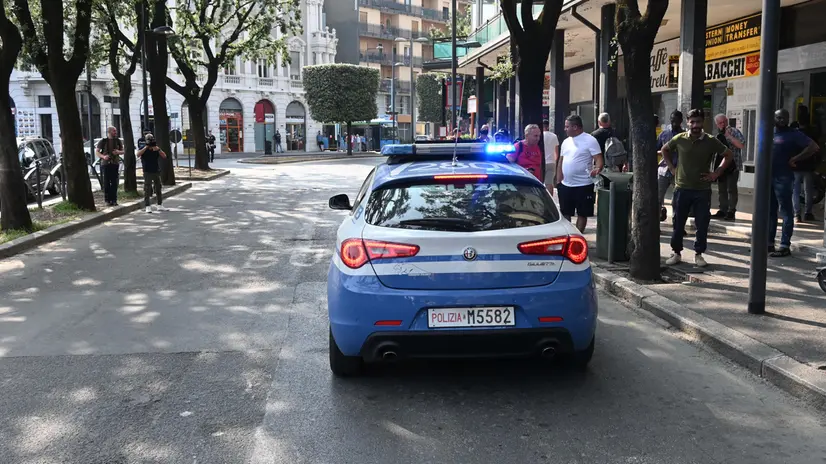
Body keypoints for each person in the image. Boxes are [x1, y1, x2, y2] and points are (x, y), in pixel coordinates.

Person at [661, 109, 733, 267]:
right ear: (687, 122)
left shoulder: (710, 140)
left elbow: (728, 155)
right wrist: (672, 169)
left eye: (698, 122)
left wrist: (717, 173)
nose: (695, 125)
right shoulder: (679, 139)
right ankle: (676, 252)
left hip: (702, 190)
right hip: (682, 188)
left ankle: (699, 254)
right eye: (692, 122)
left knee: (702, 223)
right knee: (678, 223)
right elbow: (665, 149)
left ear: (703, 123)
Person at [768, 109, 820, 257]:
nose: (781, 120)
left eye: (784, 117)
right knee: (770, 211)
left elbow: (814, 147)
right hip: (769, 177)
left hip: (784, 177)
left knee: (785, 211)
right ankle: (769, 243)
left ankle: (784, 245)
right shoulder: (770, 132)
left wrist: (796, 158)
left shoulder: (793, 134)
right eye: (778, 117)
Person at [556, 115, 603, 233]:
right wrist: (558, 179)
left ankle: (578, 235)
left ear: (575, 127)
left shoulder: (590, 140)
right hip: (566, 184)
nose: (565, 129)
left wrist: (597, 168)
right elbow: (561, 160)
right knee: (565, 212)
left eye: (567, 127)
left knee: (582, 213)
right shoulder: (566, 142)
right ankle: (567, 234)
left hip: (584, 184)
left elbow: (598, 158)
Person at [712, 114, 746, 220]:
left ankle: (731, 210)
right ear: (717, 124)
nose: (723, 124)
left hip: (733, 165)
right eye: (720, 123)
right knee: (721, 189)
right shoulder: (717, 135)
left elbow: (741, 145)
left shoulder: (734, 131)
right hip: (721, 166)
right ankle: (723, 209)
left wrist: (729, 137)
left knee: (731, 189)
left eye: (724, 122)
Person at [792, 107, 822, 222]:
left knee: (795, 190)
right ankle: (808, 213)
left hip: (796, 165)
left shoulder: (793, 130)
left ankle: (796, 214)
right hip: (808, 165)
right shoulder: (812, 131)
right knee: (808, 190)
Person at [657, 111, 684, 222]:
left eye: (676, 120)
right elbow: (656, 149)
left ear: (681, 121)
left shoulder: (684, 135)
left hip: (679, 171)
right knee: (658, 197)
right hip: (664, 170)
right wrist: (664, 152)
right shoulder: (664, 134)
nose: (674, 122)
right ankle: (655, 223)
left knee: (677, 200)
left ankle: (677, 224)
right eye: (672, 120)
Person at [136, 133, 168, 214]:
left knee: (158, 188)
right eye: (149, 139)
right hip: (147, 171)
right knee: (147, 188)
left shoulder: (156, 148)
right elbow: (138, 154)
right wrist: (146, 147)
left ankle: (160, 205)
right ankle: (147, 206)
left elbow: (164, 156)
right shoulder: (143, 148)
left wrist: (158, 149)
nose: (151, 141)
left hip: (156, 170)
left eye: (152, 139)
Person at [96, 126, 124, 206]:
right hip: (106, 164)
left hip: (115, 163)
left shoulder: (118, 141)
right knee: (106, 182)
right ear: (109, 132)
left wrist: (118, 152)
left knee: (114, 182)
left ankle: (114, 200)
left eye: (116, 131)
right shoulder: (103, 141)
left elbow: (123, 151)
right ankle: (107, 200)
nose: (116, 132)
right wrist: (103, 157)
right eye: (114, 131)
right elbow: (97, 152)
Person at [542, 120, 560, 191]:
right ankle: (550, 200)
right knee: (549, 183)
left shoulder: (539, 136)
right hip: (551, 162)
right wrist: (554, 161)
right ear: (548, 126)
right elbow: (556, 151)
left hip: (541, 162)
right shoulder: (554, 136)